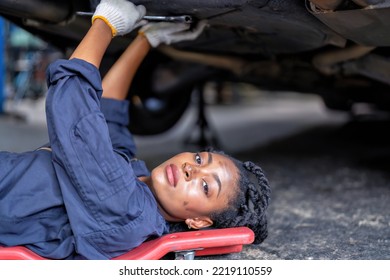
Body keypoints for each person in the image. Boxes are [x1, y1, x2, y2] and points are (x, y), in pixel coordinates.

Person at [0, 0, 270, 260]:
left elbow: (73, 108)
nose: (191, 169)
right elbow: (108, 114)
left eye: (205, 186)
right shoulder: (136, 184)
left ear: (197, 221)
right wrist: (147, 40)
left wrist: (105, 23)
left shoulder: (129, 211)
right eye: (199, 159)